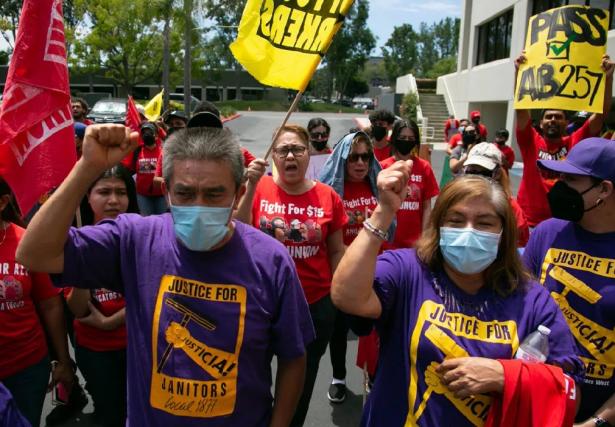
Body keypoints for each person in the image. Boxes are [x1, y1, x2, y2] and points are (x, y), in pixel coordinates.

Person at [16, 124, 314, 426]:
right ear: (166, 193)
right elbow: (34, 254)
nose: (199, 206)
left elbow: (293, 356)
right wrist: (86, 168)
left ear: (237, 193)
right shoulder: (135, 239)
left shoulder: (271, 260)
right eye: (185, 193)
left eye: (214, 194)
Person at [331, 172, 584, 426]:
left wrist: (504, 376)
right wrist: (384, 211)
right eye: (456, 220)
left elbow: (569, 390)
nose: (468, 232)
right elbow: (347, 296)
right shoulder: (407, 270)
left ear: (503, 233)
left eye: (484, 223)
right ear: (439, 226)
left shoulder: (531, 299)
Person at [235, 125, 347, 426]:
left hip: (313, 307)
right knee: (251, 378)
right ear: (273, 155)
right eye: (282, 150)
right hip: (261, 303)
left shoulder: (328, 196)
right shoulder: (258, 188)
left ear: (308, 154)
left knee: (299, 384)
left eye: (297, 149)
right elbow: (238, 233)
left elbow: (337, 250)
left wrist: (338, 291)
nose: (290, 156)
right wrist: (250, 187)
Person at [523, 137, 615, 426]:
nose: (559, 187)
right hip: (538, 399)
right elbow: (517, 310)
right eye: (559, 177)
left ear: (604, 189)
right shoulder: (547, 233)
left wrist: (596, 423)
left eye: (571, 179)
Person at [64, 165, 139, 427]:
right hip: (94, 350)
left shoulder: (144, 238)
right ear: (88, 196)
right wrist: (84, 268)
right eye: (104, 192)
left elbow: (152, 295)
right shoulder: (74, 243)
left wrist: (111, 321)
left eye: (121, 192)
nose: (114, 200)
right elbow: (76, 309)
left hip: (137, 347)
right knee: (109, 411)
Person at [318, 131, 387, 404]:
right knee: (338, 330)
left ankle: (374, 375)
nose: (360, 163)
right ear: (342, 160)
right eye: (353, 157)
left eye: (366, 157)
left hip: (375, 271)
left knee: (374, 330)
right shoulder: (330, 193)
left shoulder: (376, 189)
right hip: (341, 273)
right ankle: (338, 378)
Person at [0, 178, 74, 427]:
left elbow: (50, 305)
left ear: (3, 203)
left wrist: (63, 361)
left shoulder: (26, 243)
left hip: (26, 368)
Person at [513, 52, 614, 227]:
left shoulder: (576, 141)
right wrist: (520, 73)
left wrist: (608, 79)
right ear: (541, 123)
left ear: (567, 122)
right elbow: (521, 109)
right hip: (529, 222)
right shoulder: (530, 140)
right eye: (548, 117)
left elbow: (600, 115)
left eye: (558, 117)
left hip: (565, 221)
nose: (553, 120)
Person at [380, 120, 439, 249]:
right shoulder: (382, 167)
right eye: (402, 138)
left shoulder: (424, 167)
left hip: (414, 245)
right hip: (386, 244)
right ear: (395, 139)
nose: (406, 141)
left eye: (410, 138)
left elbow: (427, 207)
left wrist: (424, 239)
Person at [463, 142, 529, 247]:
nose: (476, 179)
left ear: (497, 173)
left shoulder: (511, 209)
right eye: (471, 172)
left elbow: (519, 246)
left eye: (483, 173)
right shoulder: (455, 201)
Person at [122, 122, 166, 216]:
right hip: (143, 196)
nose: (147, 135)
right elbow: (128, 168)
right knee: (146, 222)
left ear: (156, 135)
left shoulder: (164, 151)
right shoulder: (137, 151)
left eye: (149, 132)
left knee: (162, 221)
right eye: (144, 132)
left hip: (161, 195)